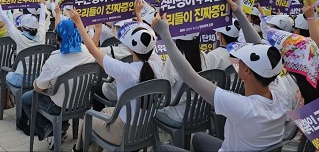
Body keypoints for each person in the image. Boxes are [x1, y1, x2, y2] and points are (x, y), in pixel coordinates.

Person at [152, 14, 289, 152]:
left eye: (241, 59)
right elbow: (261, 50)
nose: (236, 60)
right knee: (199, 137)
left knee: (163, 149)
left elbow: (190, 77)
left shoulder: (243, 107)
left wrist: (165, 34)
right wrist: (239, 12)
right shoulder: (280, 92)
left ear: (247, 71)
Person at [71, 12, 160, 152]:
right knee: (105, 111)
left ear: (130, 48)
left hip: (123, 132)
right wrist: (138, 15)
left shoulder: (125, 71)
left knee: (88, 117)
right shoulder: (157, 62)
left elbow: (93, 50)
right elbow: (145, 41)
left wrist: (78, 23)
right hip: (146, 127)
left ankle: (77, 150)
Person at [20, 18, 95, 150]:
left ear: (57, 37)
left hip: (58, 106)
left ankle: (48, 129)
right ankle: (61, 126)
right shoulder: (87, 51)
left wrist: (37, 83)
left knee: (26, 99)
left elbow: (39, 87)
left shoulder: (54, 60)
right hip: (82, 102)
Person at [157, 32, 217, 128]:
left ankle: (164, 142)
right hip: (201, 113)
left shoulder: (173, 61)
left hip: (178, 116)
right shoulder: (204, 57)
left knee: (152, 111)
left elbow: (163, 88)